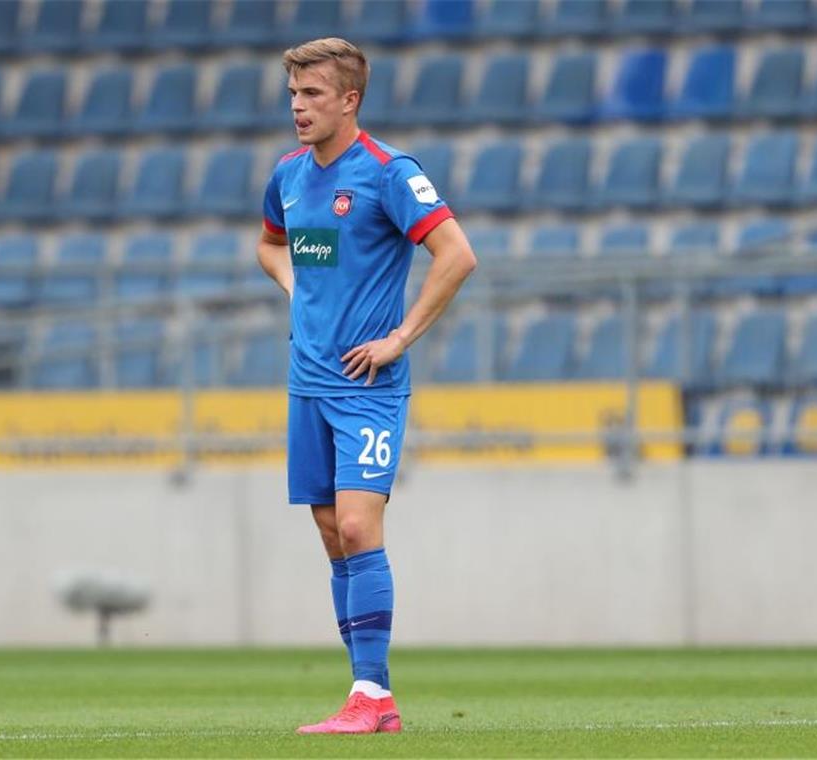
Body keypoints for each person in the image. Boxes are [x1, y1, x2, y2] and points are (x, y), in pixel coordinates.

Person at [256, 38, 477, 735]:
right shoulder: (289, 176)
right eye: (293, 94)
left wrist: (400, 338)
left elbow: (456, 254)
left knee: (357, 525)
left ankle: (372, 697)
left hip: (367, 384)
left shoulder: (388, 173)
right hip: (307, 383)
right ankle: (369, 693)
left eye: (313, 94)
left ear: (349, 100)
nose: (298, 106)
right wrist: (293, 286)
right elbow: (269, 242)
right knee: (331, 533)